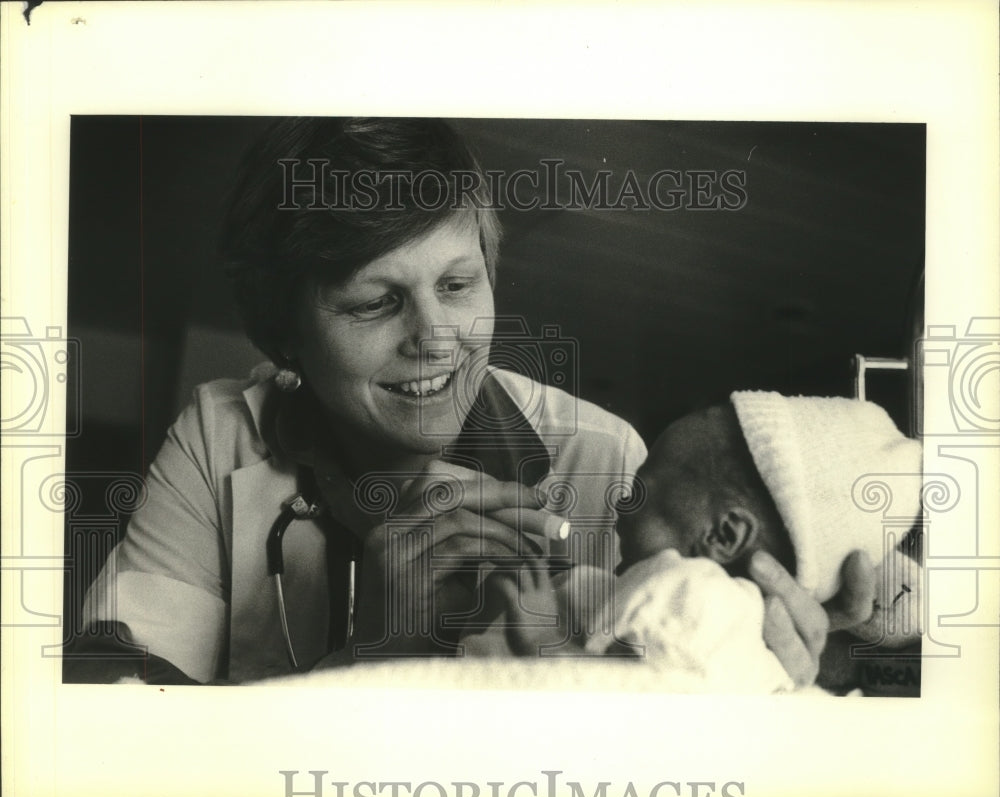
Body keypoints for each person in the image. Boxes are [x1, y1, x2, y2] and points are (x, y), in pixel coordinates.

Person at [67, 117, 873, 686]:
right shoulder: (220, 437)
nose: (438, 338)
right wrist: (375, 653)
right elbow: (115, 720)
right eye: (374, 304)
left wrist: (794, 666)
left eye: (458, 285)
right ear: (284, 339)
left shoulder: (608, 462)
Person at [484, 392, 924, 693]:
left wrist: (548, 639)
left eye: (644, 488)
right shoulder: (724, 620)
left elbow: (650, 699)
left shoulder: (700, 597)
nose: (621, 498)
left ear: (722, 535)